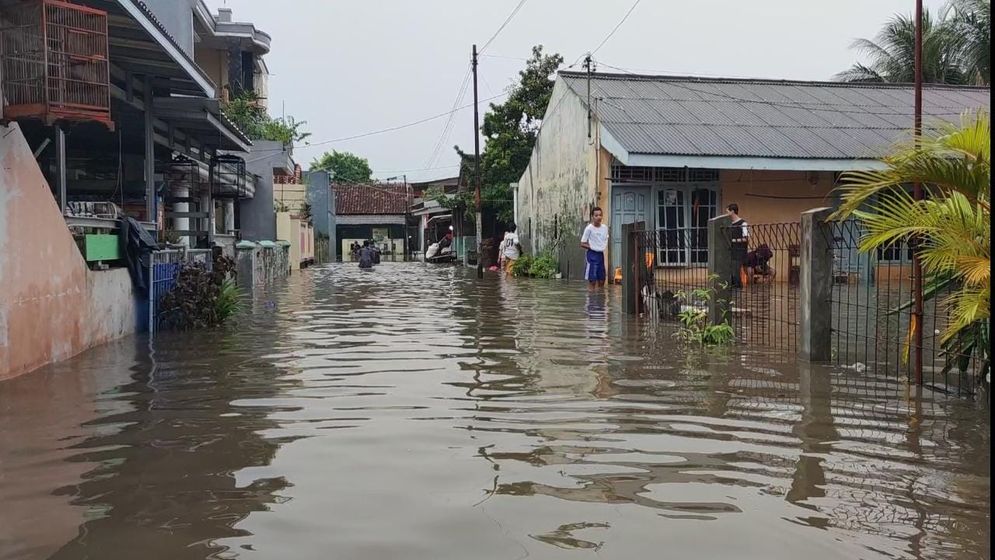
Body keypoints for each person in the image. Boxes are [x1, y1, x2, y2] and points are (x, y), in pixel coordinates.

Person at [581, 207, 609, 289]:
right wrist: (592, 247)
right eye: (596, 215)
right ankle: (590, 300)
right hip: (592, 254)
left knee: (602, 280)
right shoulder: (589, 228)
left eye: (600, 215)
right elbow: (582, 243)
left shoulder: (604, 228)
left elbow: (604, 240)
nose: (598, 217)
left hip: (600, 255)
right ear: (592, 217)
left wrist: (599, 246)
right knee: (592, 280)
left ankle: (600, 298)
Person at [726, 203, 749, 287]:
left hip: (739, 252)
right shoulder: (730, 224)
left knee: (736, 273)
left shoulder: (743, 223)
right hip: (731, 252)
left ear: (732, 211)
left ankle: (738, 291)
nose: (727, 214)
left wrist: (734, 240)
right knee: (731, 274)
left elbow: (746, 239)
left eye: (727, 212)